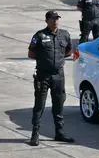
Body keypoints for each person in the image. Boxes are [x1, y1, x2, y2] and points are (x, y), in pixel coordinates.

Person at [28, 10, 74, 146]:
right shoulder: (39, 36)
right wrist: (44, 61)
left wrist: (57, 61)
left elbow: (68, 52)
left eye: (57, 19)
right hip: (43, 76)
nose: (56, 21)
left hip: (59, 75)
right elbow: (31, 53)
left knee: (59, 104)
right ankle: (35, 134)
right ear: (47, 21)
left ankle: (59, 133)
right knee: (39, 105)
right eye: (53, 19)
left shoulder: (65, 35)